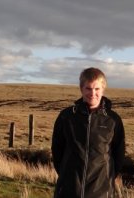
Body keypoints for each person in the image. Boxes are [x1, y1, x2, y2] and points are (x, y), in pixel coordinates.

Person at [51, 67, 125, 198]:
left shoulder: (113, 120)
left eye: (97, 89)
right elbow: (57, 151)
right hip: (68, 190)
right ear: (81, 89)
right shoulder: (66, 116)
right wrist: (67, 176)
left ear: (103, 89)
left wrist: (107, 181)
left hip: (102, 191)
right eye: (88, 88)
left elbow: (118, 154)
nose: (92, 93)